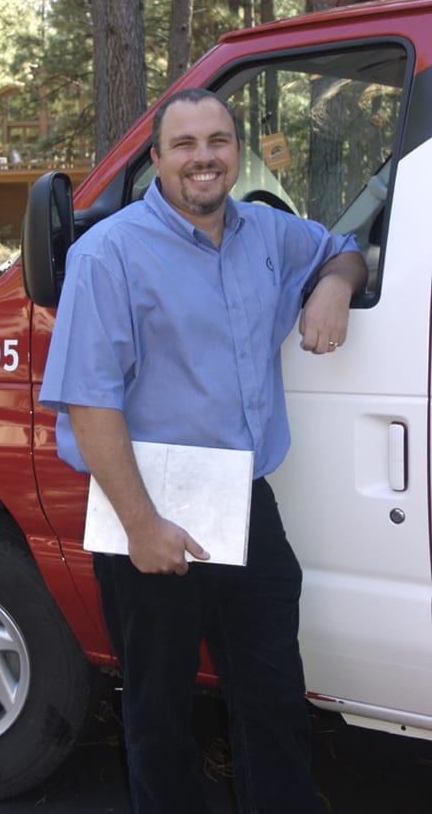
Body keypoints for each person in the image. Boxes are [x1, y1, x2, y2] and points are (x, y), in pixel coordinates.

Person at [39, 88, 367, 814]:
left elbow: (343, 248)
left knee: (274, 695)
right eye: (183, 144)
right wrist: (141, 525)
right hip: (147, 503)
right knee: (158, 711)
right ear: (155, 160)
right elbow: (91, 404)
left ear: (235, 152)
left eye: (217, 141)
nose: (203, 158)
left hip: (244, 501)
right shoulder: (109, 255)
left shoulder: (267, 233)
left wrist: (334, 287)